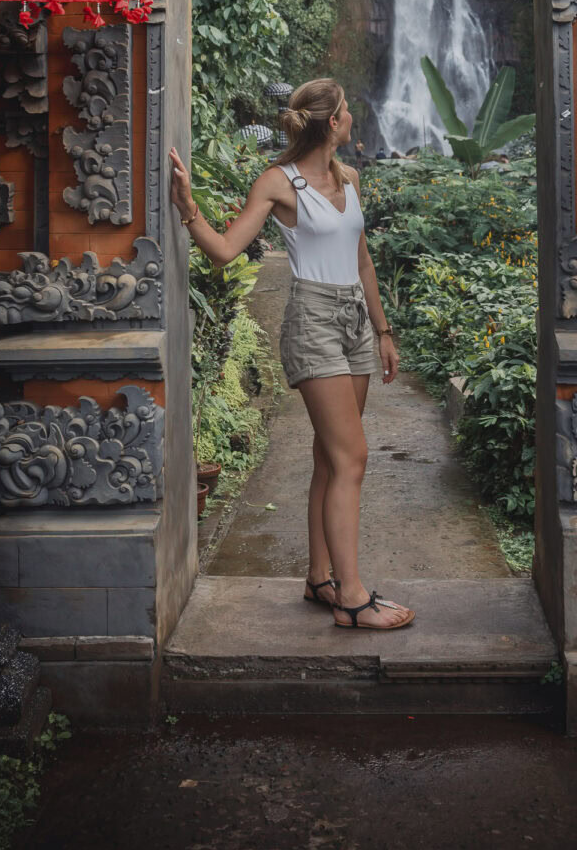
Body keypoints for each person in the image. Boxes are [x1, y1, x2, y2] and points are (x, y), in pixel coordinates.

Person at [169, 79, 415, 632]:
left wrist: (383, 330)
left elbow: (364, 264)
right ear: (332, 123)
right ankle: (352, 599)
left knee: (330, 458)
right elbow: (228, 250)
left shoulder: (349, 180)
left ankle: (320, 577)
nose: (352, 117)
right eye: (348, 110)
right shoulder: (280, 183)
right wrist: (189, 210)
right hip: (314, 321)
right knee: (354, 457)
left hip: (354, 321)